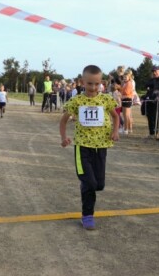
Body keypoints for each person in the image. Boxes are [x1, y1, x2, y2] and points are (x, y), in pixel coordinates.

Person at [59, 65, 120, 230]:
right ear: (82, 82)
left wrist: (115, 131)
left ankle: (86, 184)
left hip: (101, 147)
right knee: (90, 184)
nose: (93, 88)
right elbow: (64, 120)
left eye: (97, 84)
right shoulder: (77, 101)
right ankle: (87, 216)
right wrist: (64, 138)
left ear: (102, 83)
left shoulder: (106, 99)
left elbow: (116, 116)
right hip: (83, 147)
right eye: (90, 84)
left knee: (99, 184)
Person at [144, 66, 159, 138]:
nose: (154, 73)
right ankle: (151, 133)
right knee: (149, 117)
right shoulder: (152, 79)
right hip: (150, 100)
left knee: (155, 117)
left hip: (157, 101)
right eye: (153, 71)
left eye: (156, 71)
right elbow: (146, 85)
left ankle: (155, 133)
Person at [120, 69, 135, 135]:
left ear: (129, 77)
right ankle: (128, 128)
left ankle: (126, 129)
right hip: (124, 99)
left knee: (126, 115)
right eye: (124, 77)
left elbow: (126, 92)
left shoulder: (129, 83)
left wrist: (122, 93)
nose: (124, 78)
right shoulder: (125, 83)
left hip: (127, 99)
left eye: (126, 77)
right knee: (126, 115)